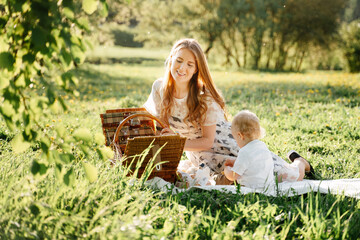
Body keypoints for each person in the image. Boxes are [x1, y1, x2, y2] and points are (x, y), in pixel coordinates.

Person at [143, 38, 314, 185]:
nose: (182, 68)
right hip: (199, 154)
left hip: (227, 144)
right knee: (235, 178)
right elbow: (161, 127)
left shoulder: (203, 95)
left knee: (281, 177)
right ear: (171, 59)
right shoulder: (160, 88)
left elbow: (207, 141)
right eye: (179, 60)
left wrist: (175, 143)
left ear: (196, 69)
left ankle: (300, 163)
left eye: (190, 64)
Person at [223, 110, 275, 188]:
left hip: (251, 188)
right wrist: (234, 162)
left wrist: (227, 170)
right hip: (268, 186)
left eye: (235, 139)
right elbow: (252, 164)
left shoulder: (245, 151)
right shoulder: (262, 146)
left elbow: (233, 176)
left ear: (240, 135)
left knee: (223, 181)